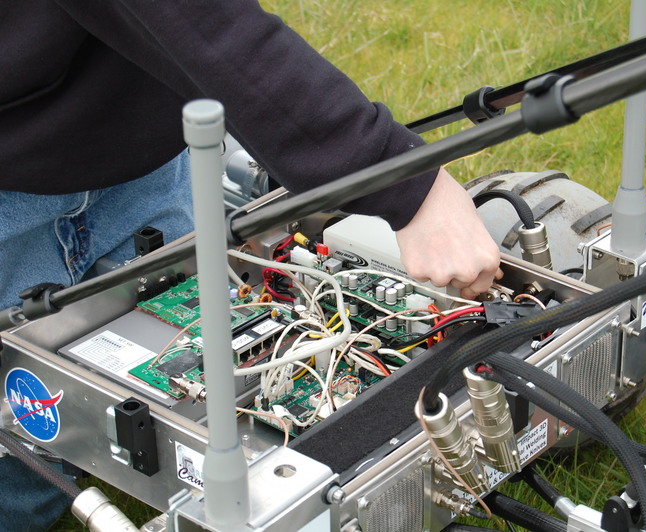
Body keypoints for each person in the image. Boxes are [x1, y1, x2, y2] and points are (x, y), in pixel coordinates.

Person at [0, 1, 500, 529]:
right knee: (24, 473)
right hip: (13, 189)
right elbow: (198, 21)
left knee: (120, 381)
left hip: (141, 164)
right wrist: (406, 184)